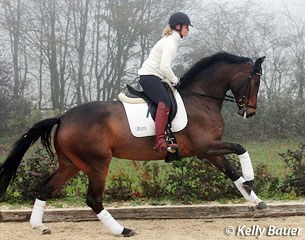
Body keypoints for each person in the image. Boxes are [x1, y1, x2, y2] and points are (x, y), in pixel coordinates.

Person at [138, 12, 192, 152]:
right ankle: (160, 140)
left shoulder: (171, 41)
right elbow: (164, 67)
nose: (188, 30)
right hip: (149, 76)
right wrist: (176, 81)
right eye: (187, 27)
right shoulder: (170, 43)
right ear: (178, 27)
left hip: (155, 76)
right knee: (165, 102)